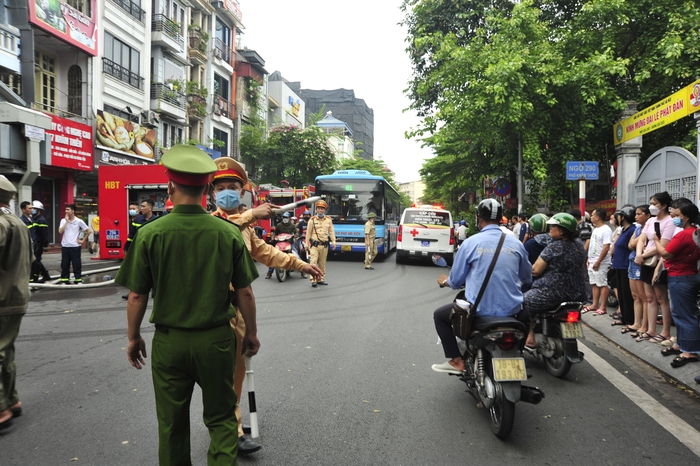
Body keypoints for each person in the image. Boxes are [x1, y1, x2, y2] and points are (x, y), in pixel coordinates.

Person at [115, 145, 260, 464]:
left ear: (170, 187)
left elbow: (137, 296)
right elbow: (245, 293)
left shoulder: (150, 234)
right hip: (217, 343)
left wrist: (133, 336)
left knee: (171, 425)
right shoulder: (228, 234)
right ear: (208, 189)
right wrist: (250, 333)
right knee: (222, 420)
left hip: (170, 344)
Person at [210, 156, 321, 454]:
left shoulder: (246, 225)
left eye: (233, 186)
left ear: (243, 191)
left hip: (239, 310)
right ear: (212, 194)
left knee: (236, 372)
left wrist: (302, 265)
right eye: (221, 188)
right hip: (216, 310)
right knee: (219, 374)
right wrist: (252, 215)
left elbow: (267, 253)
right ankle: (228, 428)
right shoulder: (212, 222)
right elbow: (223, 232)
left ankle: (229, 421)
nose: (227, 192)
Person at [432, 199, 532, 374]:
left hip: (478, 311)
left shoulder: (470, 243)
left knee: (440, 316)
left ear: (479, 218)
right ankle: (519, 353)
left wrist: (445, 281)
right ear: (501, 218)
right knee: (527, 317)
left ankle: (457, 361)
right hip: (513, 311)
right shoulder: (516, 244)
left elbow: (455, 281)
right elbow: (526, 277)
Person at [523, 213, 587, 349]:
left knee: (521, 303)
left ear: (562, 231)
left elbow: (535, 270)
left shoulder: (554, 247)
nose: (550, 228)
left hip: (552, 293)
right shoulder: (579, 246)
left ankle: (529, 338)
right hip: (577, 293)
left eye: (553, 226)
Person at [0, 176, 33, 430]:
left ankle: (2, 409)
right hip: (17, 294)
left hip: (2, 296)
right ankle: (11, 400)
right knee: (5, 350)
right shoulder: (18, 223)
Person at [655, 200, 700, 367]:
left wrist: (657, 240)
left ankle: (690, 351)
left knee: (684, 315)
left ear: (686, 217)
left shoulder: (684, 234)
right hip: (688, 276)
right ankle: (681, 344)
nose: (673, 215)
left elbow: (666, 253)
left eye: (677, 214)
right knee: (680, 313)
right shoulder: (695, 233)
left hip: (681, 277)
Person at [634, 192, 674, 343]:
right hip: (645, 261)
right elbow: (642, 239)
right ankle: (651, 329)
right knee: (649, 297)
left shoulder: (669, 222)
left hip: (658, 263)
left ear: (663, 206)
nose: (651, 206)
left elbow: (662, 246)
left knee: (661, 298)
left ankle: (665, 332)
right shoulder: (651, 221)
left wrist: (642, 256)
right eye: (650, 203)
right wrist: (639, 254)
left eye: (654, 203)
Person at [610, 206, 636, 329]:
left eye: (618, 216)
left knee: (627, 294)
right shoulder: (624, 230)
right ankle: (624, 318)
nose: (617, 219)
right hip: (619, 266)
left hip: (626, 266)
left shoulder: (632, 230)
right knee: (621, 293)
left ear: (623, 217)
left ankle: (630, 320)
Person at [626, 205, 650, 336]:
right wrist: (637, 240)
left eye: (639, 214)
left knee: (643, 297)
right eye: (636, 214)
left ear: (647, 215)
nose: (636, 216)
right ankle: (637, 323)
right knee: (635, 296)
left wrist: (637, 241)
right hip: (632, 260)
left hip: (641, 262)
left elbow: (636, 243)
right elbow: (630, 245)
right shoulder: (638, 228)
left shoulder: (649, 228)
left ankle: (645, 325)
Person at [587, 208, 612, 315]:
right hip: (592, 260)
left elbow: (606, 247)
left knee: (602, 283)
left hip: (601, 262)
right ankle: (595, 304)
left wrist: (598, 261)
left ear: (597, 217)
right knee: (595, 283)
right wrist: (589, 258)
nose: (591, 217)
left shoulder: (606, 230)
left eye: (592, 215)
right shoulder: (596, 229)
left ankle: (603, 307)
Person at [305, 200, 336, 287]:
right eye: (319, 208)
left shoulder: (328, 220)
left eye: (322, 209)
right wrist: (306, 244)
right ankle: (313, 280)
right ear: (316, 209)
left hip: (324, 245)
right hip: (315, 245)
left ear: (325, 210)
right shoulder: (312, 220)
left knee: (322, 263)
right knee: (313, 263)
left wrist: (334, 242)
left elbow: (331, 231)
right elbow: (308, 233)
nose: (320, 210)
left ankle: (320, 279)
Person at [58, 204, 91, 285]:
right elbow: (60, 231)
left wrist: (83, 240)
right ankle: (64, 280)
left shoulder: (79, 221)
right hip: (65, 246)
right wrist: (66, 221)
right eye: (66, 210)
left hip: (75, 246)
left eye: (68, 209)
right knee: (65, 264)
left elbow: (89, 231)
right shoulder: (63, 221)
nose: (66, 211)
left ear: (73, 211)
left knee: (76, 264)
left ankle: (78, 279)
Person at [265, 212, 297, 279]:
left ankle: (303, 271)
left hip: (289, 242)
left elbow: (296, 233)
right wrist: (273, 237)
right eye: (284, 217)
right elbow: (275, 232)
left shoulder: (292, 226)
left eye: (286, 218)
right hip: (280, 242)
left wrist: (296, 235)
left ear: (289, 218)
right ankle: (269, 272)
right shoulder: (279, 225)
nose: (285, 219)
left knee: (296, 253)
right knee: (273, 256)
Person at [30, 201, 51, 283]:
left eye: (34, 209)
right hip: (35, 244)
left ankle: (36, 278)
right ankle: (46, 275)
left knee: (36, 262)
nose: (33, 210)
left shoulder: (41, 220)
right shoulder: (33, 219)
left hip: (39, 244)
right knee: (36, 261)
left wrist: (45, 245)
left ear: (39, 210)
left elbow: (44, 234)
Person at [19, 201, 36, 280]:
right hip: (27, 245)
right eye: (29, 208)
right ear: (23, 210)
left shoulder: (31, 219)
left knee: (34, 262)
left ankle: (32, 279)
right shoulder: (21, 221)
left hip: (33, 244)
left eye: (32, 208)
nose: (32, 210)